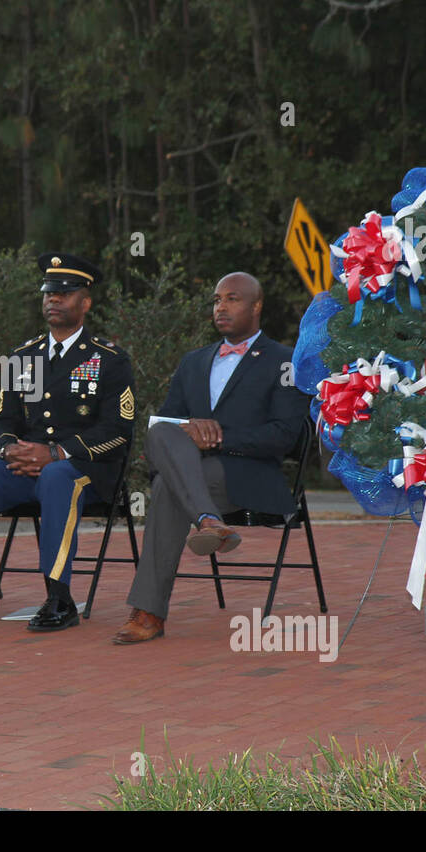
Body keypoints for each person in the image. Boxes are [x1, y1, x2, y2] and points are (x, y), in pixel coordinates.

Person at [0, 254, 135, 633]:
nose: (54, 300)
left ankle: (59, 597)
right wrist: (10, 449)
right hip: (27, 466)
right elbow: (3, 421)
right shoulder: (23, 357)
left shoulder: (109, 359)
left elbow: (118, 431)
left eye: (65, 293)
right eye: (49, 293)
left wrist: (57, 453)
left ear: (86, 302)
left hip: (86, 470)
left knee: (58, 478)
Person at [113, 272, 310, 644]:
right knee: (159, 432)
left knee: (165, 488)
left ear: (256, 306)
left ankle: (150, 612)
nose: (221, 306)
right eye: (216, 300)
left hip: (247, 476)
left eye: (232, 299)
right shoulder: (193, 362)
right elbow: (168, 426)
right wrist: (189, 431)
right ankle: (208, 521)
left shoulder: (285, 361)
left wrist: (217, 438)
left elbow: (284, 435)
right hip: (195, 476)